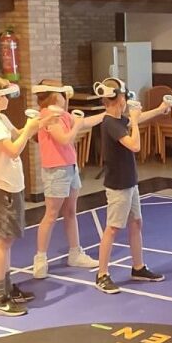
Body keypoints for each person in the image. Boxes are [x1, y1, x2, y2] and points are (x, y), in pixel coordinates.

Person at [0, 76, 48, 317]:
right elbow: (14, 149)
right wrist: (29, 129)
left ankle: (6, 287)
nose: (8, 98)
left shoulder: (0, 118)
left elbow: (19, 134)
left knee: (7, 241)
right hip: (2, 188)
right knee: (2, 241)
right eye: (5, 95)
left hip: (12, 186)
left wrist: (41, 121)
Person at [93, 77, 172, 293]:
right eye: (124, 96)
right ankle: (102, 274)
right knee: (112, 229)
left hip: (130, 181)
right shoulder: (110, 123)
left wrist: (160, 109)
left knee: (136, 223)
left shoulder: (119, 120)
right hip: (118, 185)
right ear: (119, 99)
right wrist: (135, 121)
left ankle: (138, 267)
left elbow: (136, 119)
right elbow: (135, 145)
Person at [32, 79, 106, 280]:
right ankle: (40, 258)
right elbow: (65, 139)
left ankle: (75, 253)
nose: (65, 96)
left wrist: (107, 113)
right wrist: (77, 126)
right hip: (56, 171)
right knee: (51, 214)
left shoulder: (63, 114)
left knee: (71, 212)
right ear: (54, 96)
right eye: (62, 93)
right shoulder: (48, 116)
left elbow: (85, 122)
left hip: (70, 168)